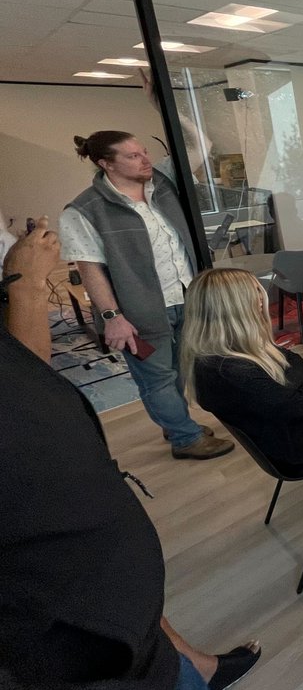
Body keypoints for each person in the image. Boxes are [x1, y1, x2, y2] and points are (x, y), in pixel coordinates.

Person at [0, 218, 260, 690]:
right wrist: (28, 287)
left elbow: (25, 379)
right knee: (160, 378)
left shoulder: (156, 196)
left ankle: (196, 667)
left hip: (107, 594)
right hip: (74, 640)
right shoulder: (89, 211)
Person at [59, 130, 233, 460]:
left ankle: (175, 421)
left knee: (181, 368)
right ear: (105, 163)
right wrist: (113, 317)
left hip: (186, 299)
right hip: (138, 314)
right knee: (156, 378)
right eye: (133, 156)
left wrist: (160, 101)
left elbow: (201, 146)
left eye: (144, 152)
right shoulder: (83, 210)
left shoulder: (162, 183)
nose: (145, 159)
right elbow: (90, 269)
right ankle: (184, 437)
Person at [180, 268, 303, 469]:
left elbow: (294, 360)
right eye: (253, 293)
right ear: (232, 307)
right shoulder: (230, 370)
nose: (261, 299)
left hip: (282, 426)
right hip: (294, 444)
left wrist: (290, 380)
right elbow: (296, 399)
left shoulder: (219, 353)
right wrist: (293, 379)